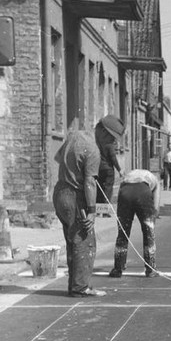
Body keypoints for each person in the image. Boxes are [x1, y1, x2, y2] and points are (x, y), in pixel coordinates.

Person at [53, 126, 104, 297]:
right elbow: (90, 182)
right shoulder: (93, 150)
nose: (112, 144)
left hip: (60, 193)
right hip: (75, 197)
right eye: (112, 140)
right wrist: (91, 210)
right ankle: (81, 287)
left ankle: (74, 285)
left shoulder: (73, 137)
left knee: (72, 241)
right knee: (84, 241)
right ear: (103, 134)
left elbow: (57, 158)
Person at [108, 169, 161, 278]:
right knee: (148, 233)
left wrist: (121, 219)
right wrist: (152, 219)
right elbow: (156, 207)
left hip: (125, 193)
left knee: (122, 233)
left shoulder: (129, 176)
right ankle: (150, 269)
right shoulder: (155, 180)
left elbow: (120, 195)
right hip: (143, 193)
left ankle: (118, 268)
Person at [95, 115, 125, 203]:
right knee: (108, 189)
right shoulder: (110, 145)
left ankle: (99, 208)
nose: (114, 139)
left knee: (99, 188)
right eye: (113, 136)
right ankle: (105, 210)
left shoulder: (97, 143)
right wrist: (119, 169)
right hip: (108, 170)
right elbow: (113, 158)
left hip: (98, 168)